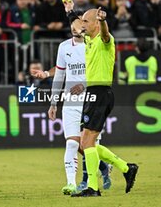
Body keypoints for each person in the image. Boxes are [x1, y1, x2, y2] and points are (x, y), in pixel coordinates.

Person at [65, 2, 138, 197]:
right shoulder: (88, 39)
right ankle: (125, 168)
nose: (82, 26)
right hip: (93, 94)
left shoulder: (106, 39)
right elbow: (75, 26)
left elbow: (105, 35)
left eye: (86, 22)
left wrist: (104, 21)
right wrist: (70, 11)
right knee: (85, 143)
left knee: (87, 142)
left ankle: (92, 187)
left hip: (100, 93)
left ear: (96, 23)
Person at [33, 19, 112, 194]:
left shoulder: (92, 45)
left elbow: (99, 71)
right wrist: (53, 103)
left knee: (89, 145)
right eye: (73, 25)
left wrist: (83, 85)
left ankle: (93, 176)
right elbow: (60, 75)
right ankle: (71, 183)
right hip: (70, 102)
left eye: (80, 25)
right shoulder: (63, 47)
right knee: (72, 144)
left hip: (92, 99)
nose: (76, 28)